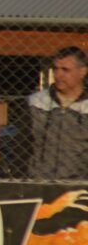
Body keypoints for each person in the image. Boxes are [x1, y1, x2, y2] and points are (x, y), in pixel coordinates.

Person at [26, 46, 88, 179]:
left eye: (65, 70)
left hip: (80, 187)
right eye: (56, 69)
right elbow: (21, 147)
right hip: (38, 184)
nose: (58, 75)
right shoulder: (36, 102)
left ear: (82, 72)